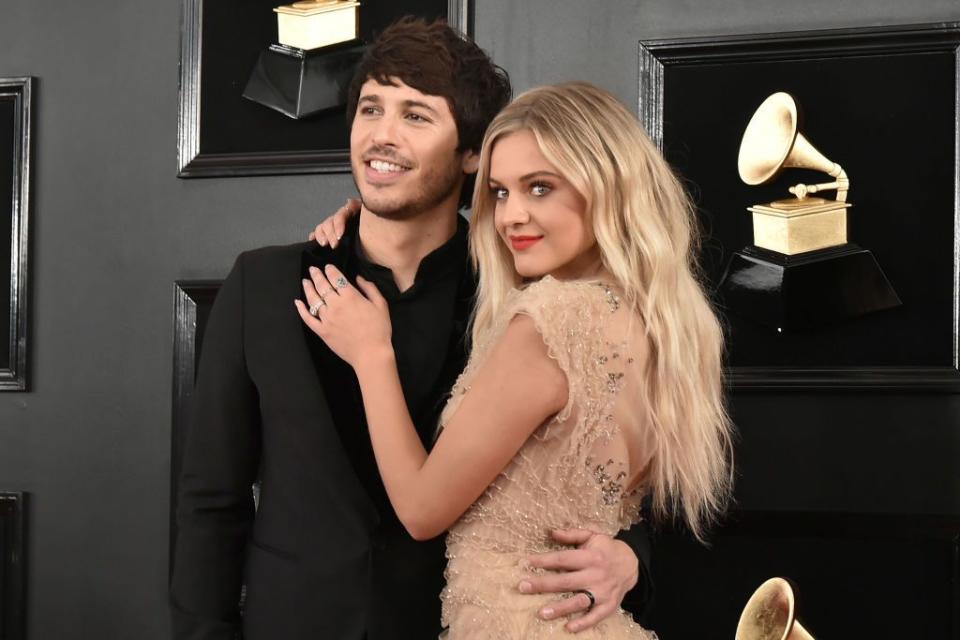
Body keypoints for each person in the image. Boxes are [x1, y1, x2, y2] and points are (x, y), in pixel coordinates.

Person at [171, 19, 653, 640]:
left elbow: (617, 466)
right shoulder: (262, 285)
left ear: (473, 153)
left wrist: (632, 555)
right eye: (371, 108)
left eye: (416, 116)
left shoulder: (531, 301)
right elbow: (211, 501)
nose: (382, 135)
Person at [297, 81, 734, 638]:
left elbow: (421, 510)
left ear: (608, 186)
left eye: (540, 187)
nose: (511, 216)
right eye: (500, 192)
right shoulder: (666, 326)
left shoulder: (550, 323)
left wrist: (372, 353)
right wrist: (367, 216)